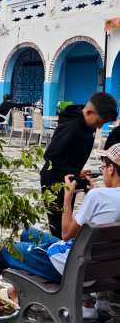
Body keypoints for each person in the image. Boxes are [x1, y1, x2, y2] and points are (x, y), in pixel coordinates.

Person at [0, 143, 120, 320]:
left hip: (71, 267)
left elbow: (66, 233)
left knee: (5, 249)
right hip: (96, 267)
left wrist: (68, 196)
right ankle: (16, 291)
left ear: (111, 168)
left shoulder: (97, 197)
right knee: (28, 234)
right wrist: (98, 191)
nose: (103, 171)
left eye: (104, 166)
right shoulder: (101, 196)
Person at [41, 92, 118, 238]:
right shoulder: (72, 126)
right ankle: (57, 255)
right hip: (54, 180)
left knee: (67, 219)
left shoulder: (87, 124)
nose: (99, 126)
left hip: (68, 178)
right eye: (99, 122)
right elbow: (51, 156)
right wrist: (73, 171)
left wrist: (78, 172)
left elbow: (70, 154)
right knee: (58, 228)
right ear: (89, 112)